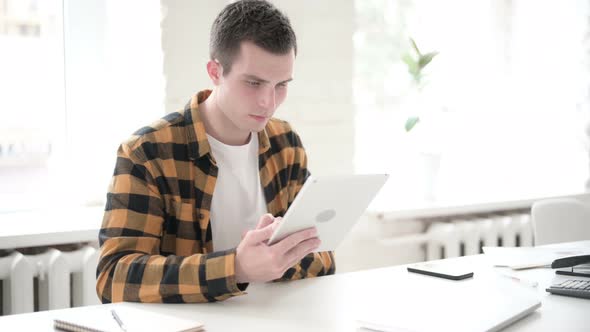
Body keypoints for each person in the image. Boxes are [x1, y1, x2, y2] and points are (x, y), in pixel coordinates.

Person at [96, 0, 335, 303]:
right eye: (253, 83)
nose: (268, 102)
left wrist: (272, 262)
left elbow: (323, 254)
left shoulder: (285, 144)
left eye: (281, 85)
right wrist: (236, 268)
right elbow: (114, 278)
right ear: (215, 72)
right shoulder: (146, 153)